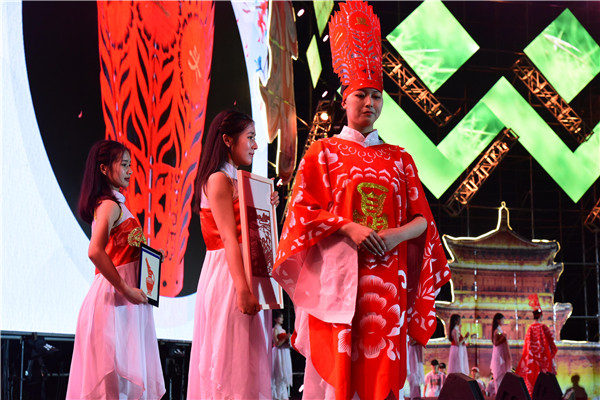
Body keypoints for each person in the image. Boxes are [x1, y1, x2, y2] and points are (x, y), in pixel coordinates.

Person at [272, 2, 451, 399]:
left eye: (376, 96)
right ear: (344, 98)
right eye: (361, 95)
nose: (370, 103)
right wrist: (349, 227)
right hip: (339, 285)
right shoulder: (323, 153)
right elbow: (301, 212)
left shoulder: (400, 158)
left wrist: (394, 235)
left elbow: (423, 221)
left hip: (387, 286)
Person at [187, 109, 278, 399]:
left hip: (243, 274)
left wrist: (267, 206)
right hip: (229, 277)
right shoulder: (218, 180)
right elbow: (228, 237)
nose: (255, 145)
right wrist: (242, 289)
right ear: (228, 139)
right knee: (230, 366)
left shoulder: (241, 182)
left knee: (246, 365)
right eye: (250, 137)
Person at [66, 140, 165, 399]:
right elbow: (94, 251)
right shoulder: (109, 206)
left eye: (130, 165)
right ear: (103, 168)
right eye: (124, 165)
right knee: (114, 389)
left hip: (123, 305)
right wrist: (125, 289)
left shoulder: (117, 205)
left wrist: (151, 258)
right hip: (114, 304)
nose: (130, 171)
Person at [516, 308, 557, 395]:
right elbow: (551, 343)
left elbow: (526, 347)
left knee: (533, 381)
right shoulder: (543, 327)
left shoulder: (530, 328)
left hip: (532, 361)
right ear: (541, 316)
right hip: (543, 360)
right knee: (545, 381)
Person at [272, 311, 293, 400]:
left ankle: (283, 395)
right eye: (280, 317)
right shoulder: (275, 329)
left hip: (284, 352)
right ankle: (277, 396)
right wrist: (285, 338)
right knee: (278, 373)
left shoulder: (283, 330)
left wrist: (289, 342)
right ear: (275, 319)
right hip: (278, 353)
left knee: (284, 373)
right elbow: (277, 344)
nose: (282, 319)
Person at [490, 312, 512, 390]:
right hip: (499, 354)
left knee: (503, 374)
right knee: (499, 374)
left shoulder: (499, 329)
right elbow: (496, 343)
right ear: (498, 320)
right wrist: (504, 337)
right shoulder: (497, 330)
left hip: (501, 353)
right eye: (502, 320)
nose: (503, 321)